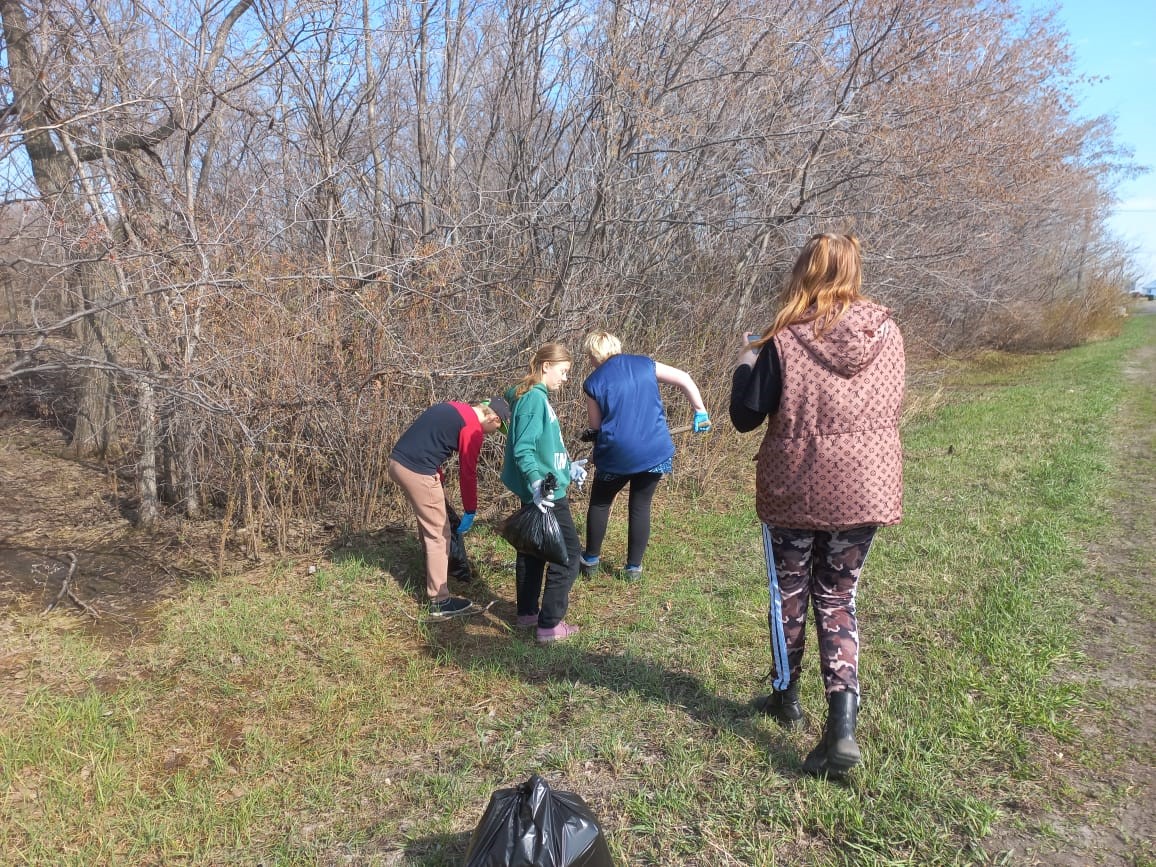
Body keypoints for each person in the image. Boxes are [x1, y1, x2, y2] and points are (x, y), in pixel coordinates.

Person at [729, 232, 904, 777]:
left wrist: (743, 362)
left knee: (790, 595)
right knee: (838, 597)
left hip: (796, 489)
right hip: (867, 486)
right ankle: (842, 726)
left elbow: (744, 417)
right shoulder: (889, 332)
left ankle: (786, 697)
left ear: (805, 272)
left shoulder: (783, 340)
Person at [578, 331, 711, 582]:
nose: (589, 361)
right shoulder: (645, 364)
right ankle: (633, 568)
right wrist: (700, 411)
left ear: (594, 354)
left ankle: (591, 560)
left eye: (589, 356)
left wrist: (597, 446)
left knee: (600, 502)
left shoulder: (593, 382)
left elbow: (595, 426)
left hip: (617, 454)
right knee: (640, 505)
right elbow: (684, 378)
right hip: (655, 451)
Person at [388, 396, 511, 618]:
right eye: (496, 428)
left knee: (429, 525)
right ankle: (440, 601)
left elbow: (429, 440)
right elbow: (468, 472)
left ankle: (430, 574)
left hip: (397, 462)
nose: (492, 433)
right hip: (417, 470)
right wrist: (471, 509)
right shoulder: (472, 428)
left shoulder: (454, 408)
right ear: (492, 417)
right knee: (440, 534)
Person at [501, 342, 585, 643]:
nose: (565, 379)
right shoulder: (534, 399)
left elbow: (543, 445)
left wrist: (566, 466)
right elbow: (523, 448)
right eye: (563, 372)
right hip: (547, 491)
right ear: (545, 366)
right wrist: (539, 482)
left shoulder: (535, 398)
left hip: (549, 481)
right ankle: (549, 624)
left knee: (533, 548)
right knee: (569, 555)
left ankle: (527, 613)